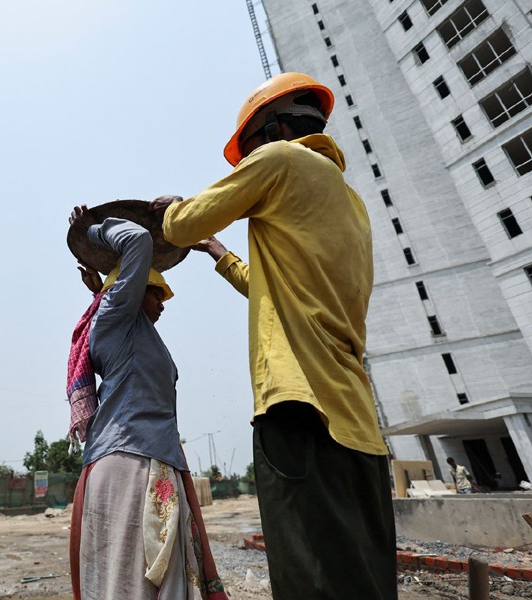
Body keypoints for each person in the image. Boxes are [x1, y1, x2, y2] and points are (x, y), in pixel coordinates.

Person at [150, 72, 397, 600]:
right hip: (358, 425)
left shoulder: (280, 160)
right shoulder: (350, 204)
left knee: (308, 578)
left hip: (301, 410)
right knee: (364, 579)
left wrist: (171, 208)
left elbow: (180, 225)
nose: (245, 164)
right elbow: (276, 287)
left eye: (248, 150)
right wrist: (221, 255)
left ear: (275, 128)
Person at [66, 205, 227, 600]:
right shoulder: (115, 316)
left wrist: (101, 284)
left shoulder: (131, 329)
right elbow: (137, 240)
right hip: (129, 466)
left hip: (154, 460)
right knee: (134, 586)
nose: (163, 303)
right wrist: (94, 232)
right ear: (134, 292)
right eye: (156, 292)